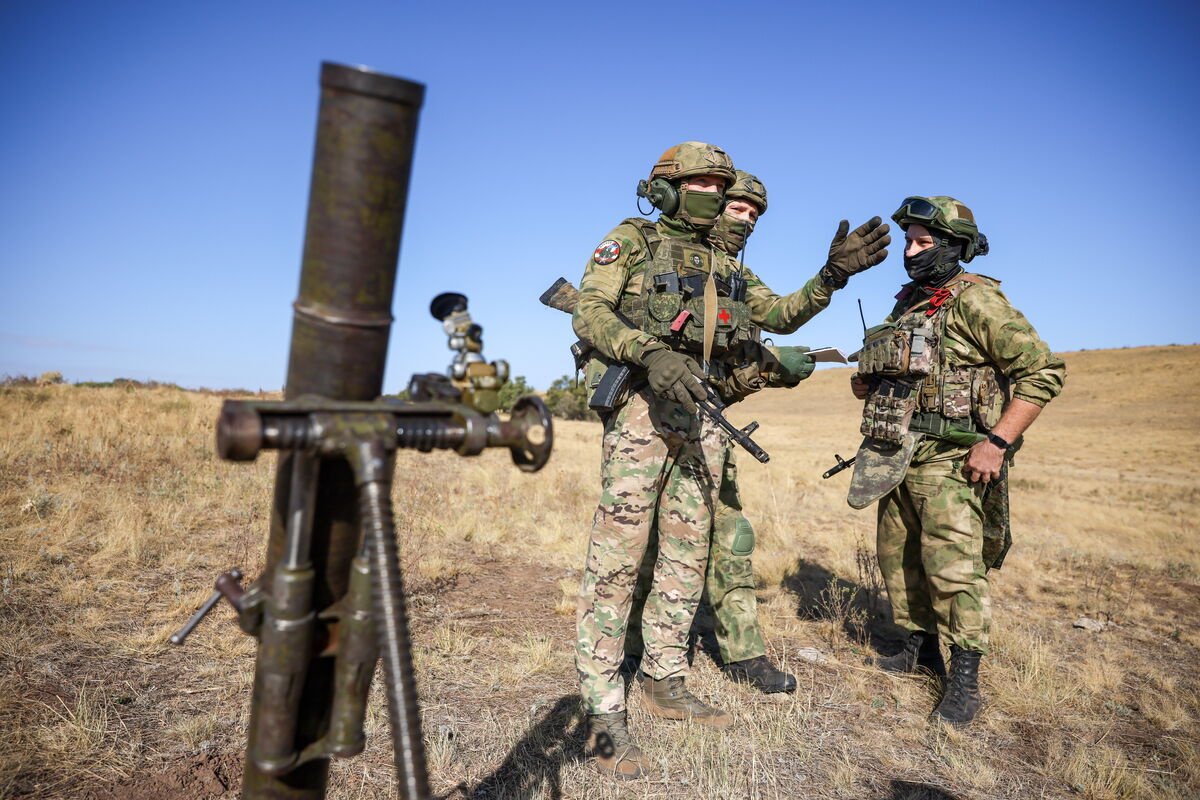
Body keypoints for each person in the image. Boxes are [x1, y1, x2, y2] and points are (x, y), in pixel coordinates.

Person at [575, 142, 889, 779]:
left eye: (724, 186)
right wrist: (648, 351)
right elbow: (589, 311)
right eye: (705, 184)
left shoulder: (727, 264)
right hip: (642, 408)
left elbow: (778, 314)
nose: (718, 196)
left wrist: (831, 278)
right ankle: (602, 710)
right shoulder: (631, 239)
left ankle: (665, 677)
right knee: (619, 555)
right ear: (667, 186)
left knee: (687, 554)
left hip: (704, 413)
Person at [846, 195, 1065, 726]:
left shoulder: (975, 301)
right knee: (899, 559)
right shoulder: (910, 303)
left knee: (954, 569)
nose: (910, 251)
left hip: (952, 457)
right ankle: (919, 650)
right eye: (908, 241)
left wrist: (997, 442)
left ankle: (964, 680)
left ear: (954, 247)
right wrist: (869, 381)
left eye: (923, 243)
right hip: (897, 452)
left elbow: (1044, 372)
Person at [624, 170, 815, 696]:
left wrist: (831, 276)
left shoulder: (734, 275)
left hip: (711, 424)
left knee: (730, 537)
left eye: (755, 216)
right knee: (641, 540)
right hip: (647, 418)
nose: (746, 221)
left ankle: (741, 651)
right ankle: (633, 649)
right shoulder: (657, 251)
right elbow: (609, 318)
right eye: (737, 209)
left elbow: (778, 315)